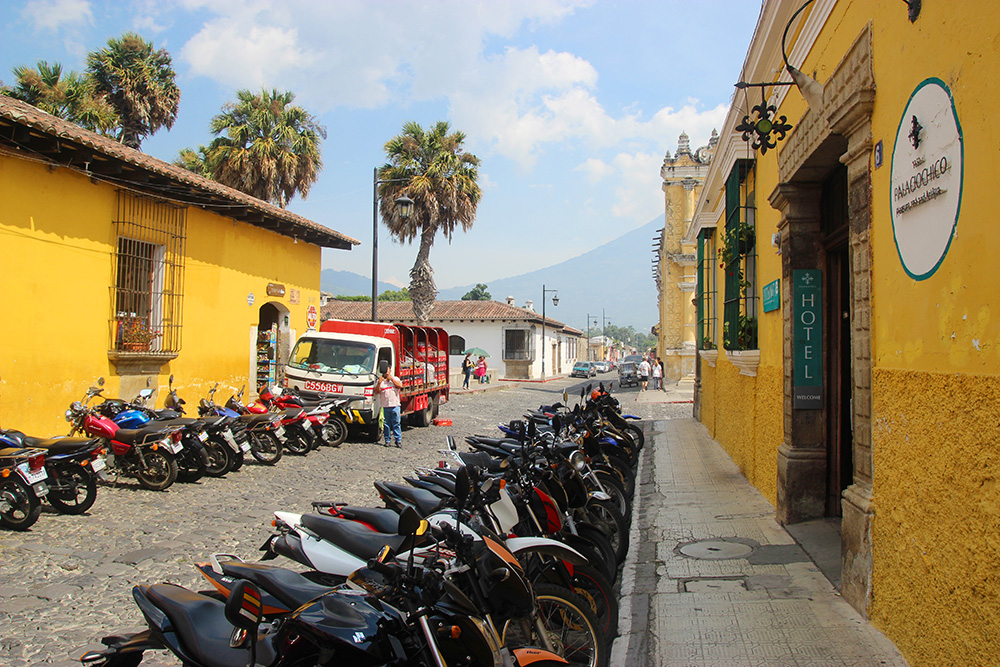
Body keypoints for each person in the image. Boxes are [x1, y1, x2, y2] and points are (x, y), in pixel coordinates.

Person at [376, 361, 403, 447]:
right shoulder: (381, 381)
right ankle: (387, 440)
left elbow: (400, 386)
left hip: (395, 405)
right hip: (385, 406)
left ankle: (398, 440)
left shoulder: (395, 379)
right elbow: (376, 391)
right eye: (385, 370)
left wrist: (391, 379)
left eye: (388, 370)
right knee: (386, 424)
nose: (386, 372)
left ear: (390, 370)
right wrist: (379, 383)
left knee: (396, 423)